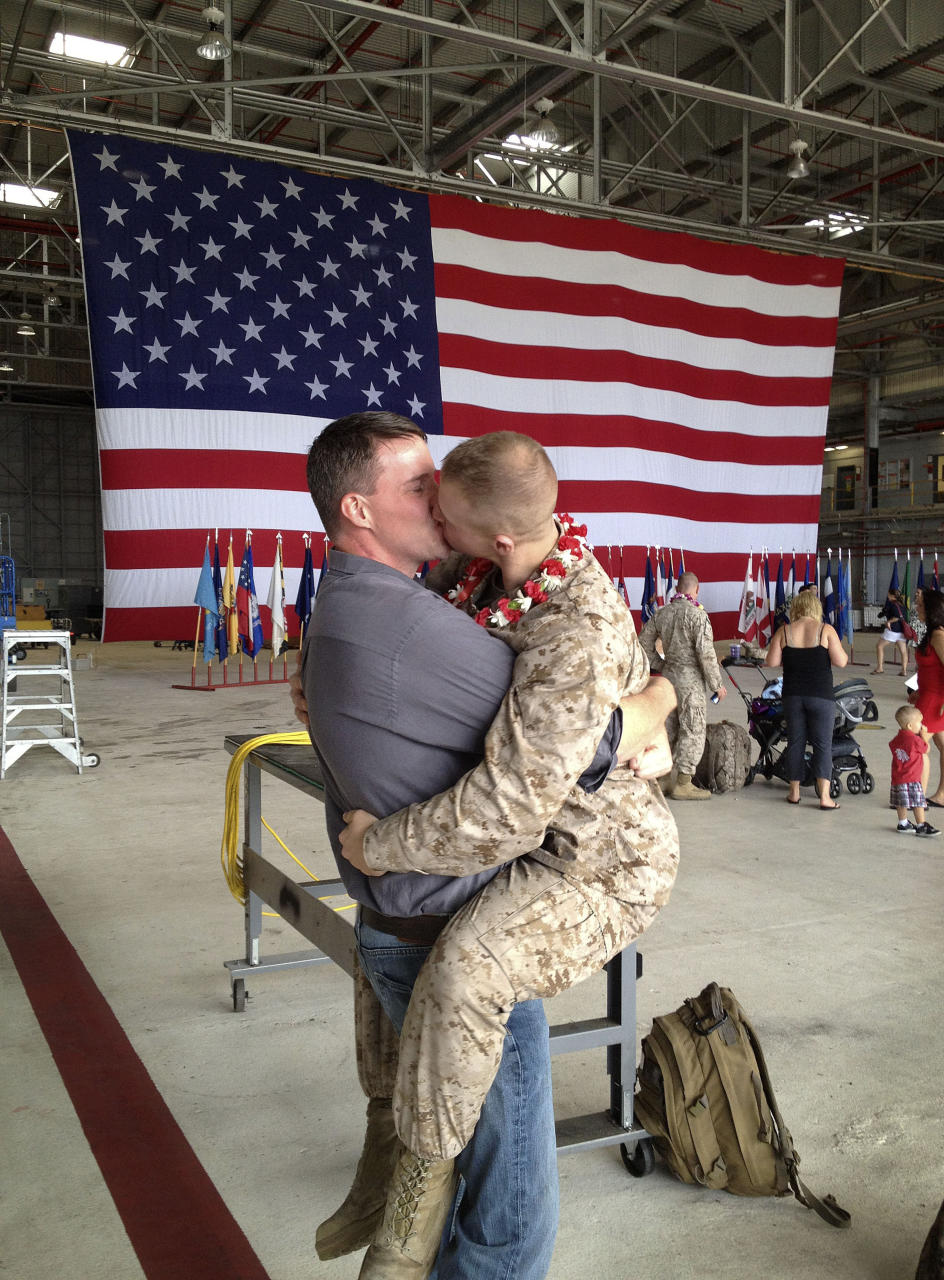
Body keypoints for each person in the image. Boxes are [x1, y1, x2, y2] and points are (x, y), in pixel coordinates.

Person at [297, 413, 676, 1280]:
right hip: (517, 853)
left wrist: (641, 711)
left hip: (590, 857)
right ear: (359, 509)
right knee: (422, 971)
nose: (435, 506)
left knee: (469, 972)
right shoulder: (468, 579)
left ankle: (409, 1194)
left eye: (443, 494)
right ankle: (398, 1166)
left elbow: (517, 798)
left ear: (496, 533)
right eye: (420, 487)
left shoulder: (565, 620)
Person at [635, 570, 726, 800]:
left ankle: (664, 778)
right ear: (697, 589)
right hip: (690, 681)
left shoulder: (662, 613)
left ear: (677, 589)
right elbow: (705, 654)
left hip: (668, 678)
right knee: (692, 729)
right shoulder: (697, 616)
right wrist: (717, 684)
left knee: (669, 727)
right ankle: (683, 783)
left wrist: (661, 664)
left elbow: (643, 643)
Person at [766, 587, 848, 808]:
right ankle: (824, 797)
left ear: (796, 609)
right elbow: (841, 661)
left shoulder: (784, 631)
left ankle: (794, 792)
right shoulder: (825, 630)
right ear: (815, 608)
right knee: (822, 745)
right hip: (821, 695)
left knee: (795, 743)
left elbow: (772, 662)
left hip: (793, 695)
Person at [911, 587, 944, 809]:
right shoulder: (934, 632)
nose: (917, 608)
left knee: (917, 744)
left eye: (920, 605)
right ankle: (942, 795)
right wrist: (919, 691)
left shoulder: (940, 634)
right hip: (930, 693)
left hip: (936, 697)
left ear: (931, 608)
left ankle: (916, 796)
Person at [888, 704, 939, 837]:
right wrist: (924, 737)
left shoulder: (897, 738)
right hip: (912, 777)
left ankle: (903, 823)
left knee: (901, 802)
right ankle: (921, 824)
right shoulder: (915, 740)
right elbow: (926, 749)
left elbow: (892, 746)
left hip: (898, 776)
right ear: (910, 726)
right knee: (918, 802)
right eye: (920, 722)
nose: (921, 725)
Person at [873, 588, 909, 675]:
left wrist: (888, 622)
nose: (887, 596)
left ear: (892, 596)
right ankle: (904, 670)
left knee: (879, 646)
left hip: (892, 630)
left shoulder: (891, 604)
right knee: (903, 651)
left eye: (889, 594)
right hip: (902, 631)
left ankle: (880, 667)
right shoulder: (902, 605)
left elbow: (897, 617)